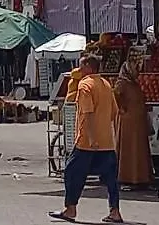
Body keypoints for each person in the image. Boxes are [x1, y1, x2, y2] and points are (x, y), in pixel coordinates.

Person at [50, 55, 123, 224]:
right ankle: (115, 211)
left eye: (81, 67)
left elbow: (87, 113)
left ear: (89, 68)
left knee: (72, 172)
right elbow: (114, 112)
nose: (79, 70)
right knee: (110, 178)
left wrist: (90, 137)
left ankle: (70, 209)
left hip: (86, 142)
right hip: (106, 140)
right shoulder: (106, 84)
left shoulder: (85, 85)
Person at [112, 60, 151, 189]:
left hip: (137, 122)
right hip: (128, 123)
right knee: (130, 149)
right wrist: (122, 108)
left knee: (139, 149)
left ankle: (141, 177)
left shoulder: (133, 83)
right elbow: (115, 95)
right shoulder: (122, 83)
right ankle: (127, 177)